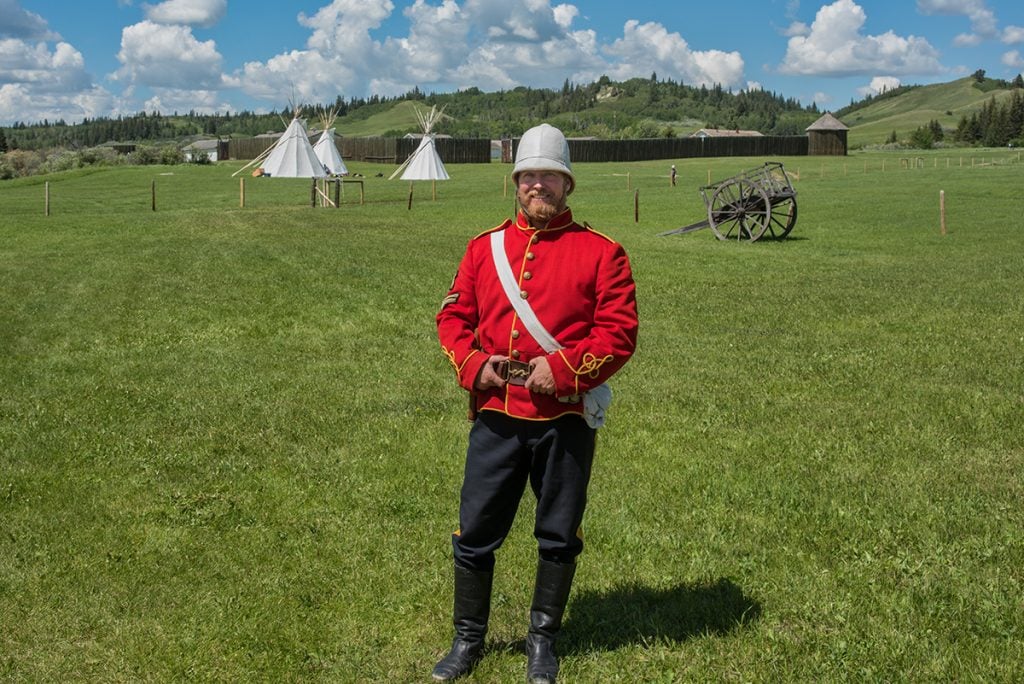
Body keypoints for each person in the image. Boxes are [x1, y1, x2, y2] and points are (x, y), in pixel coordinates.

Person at [433, 123, 639, 683]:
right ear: (516, 182)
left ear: (567, 184)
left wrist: (566, 370)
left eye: (550, 176)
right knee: (474, 532)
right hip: (497, 417)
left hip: (564, 421)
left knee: (557, 533)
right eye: (529, 176)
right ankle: (467, 640)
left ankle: (542, 641)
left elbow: (618, 334)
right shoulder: (484, 249)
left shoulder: (603, 254)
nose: (538, 186)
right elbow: (452, 319)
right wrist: (476, 367)